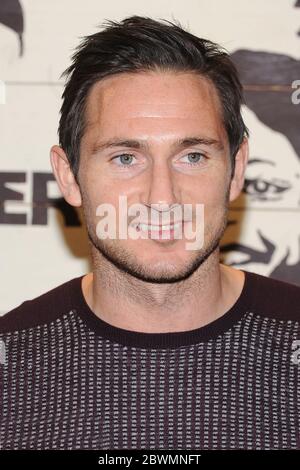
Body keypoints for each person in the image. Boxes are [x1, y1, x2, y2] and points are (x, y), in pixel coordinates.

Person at [0, 15, 299, 451]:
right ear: (68, 177)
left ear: (235, 171)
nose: (162, 197)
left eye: (193, 156)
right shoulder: (11, 364)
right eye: (125, 158)